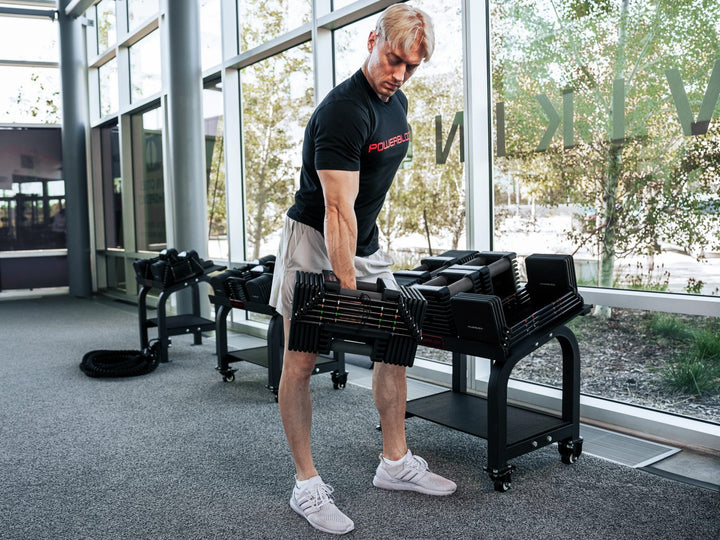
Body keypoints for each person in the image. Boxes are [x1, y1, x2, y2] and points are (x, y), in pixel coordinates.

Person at [268, 4, 456, 535]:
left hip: (364, 240)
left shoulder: (393, 104)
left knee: (396, 341)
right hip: (314, 240)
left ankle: (394, 464)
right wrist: (347, 292)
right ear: (372, 40)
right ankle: (306, 486)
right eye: (394, 59)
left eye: (412, 67)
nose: (399, 74)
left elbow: (364, 199)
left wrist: (365, 262)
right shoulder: (344, 111)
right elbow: (335, 209)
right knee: (300, 363)